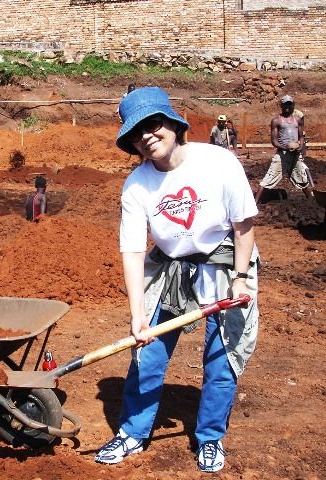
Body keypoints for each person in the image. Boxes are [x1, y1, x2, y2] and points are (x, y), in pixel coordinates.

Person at [95, 87, 259, 473]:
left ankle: (210, 437)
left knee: (221, 357)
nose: (147, 136)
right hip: (169, 267)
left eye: (153, 124)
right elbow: (133, 251)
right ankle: (132, 433)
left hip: (223, 263)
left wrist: (240, 279)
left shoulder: (218, 162)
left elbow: (243, 226)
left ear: (172, 123)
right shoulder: (137, 185)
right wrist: (137, 315)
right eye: (136, 132)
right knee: (147, 353)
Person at [254, 95, 314, 203]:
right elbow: (274, 141)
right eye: (285, 104)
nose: (287, 107)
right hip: (282, 155)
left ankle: (312, 203)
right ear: (281, 105)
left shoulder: (298, 120)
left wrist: (300, 147)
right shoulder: (276, 121)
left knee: (302, 180)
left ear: (293, 105)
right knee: (268, 179)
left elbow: (301, 137)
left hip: (295, 156)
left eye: (289, 104)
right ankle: (254, 203)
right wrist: (285, 148)